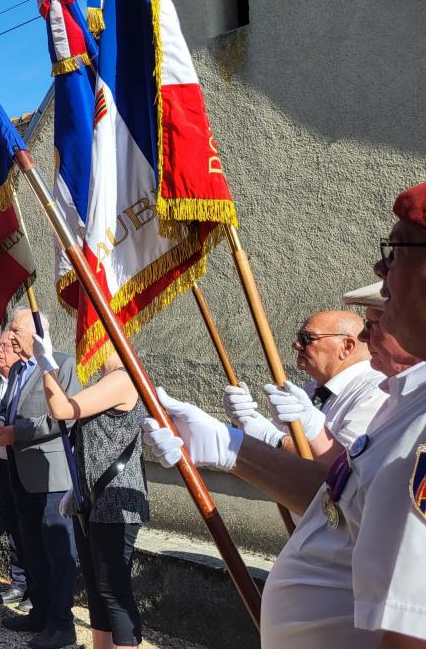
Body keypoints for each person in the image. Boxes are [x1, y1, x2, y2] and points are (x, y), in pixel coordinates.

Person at [142, 183, 426, 648]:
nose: (380, 267)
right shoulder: (407, 401)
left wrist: (274, 436)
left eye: (395, 251)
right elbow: (339, 505)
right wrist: (228, 446)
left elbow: (413, 630)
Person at [36, 332, 148, 649]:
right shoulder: (105, 379)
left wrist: (46, 365)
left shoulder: (123, 378)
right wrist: (77, 488)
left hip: (116, 499)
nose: (81, 344)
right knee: (99, 589)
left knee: (114, 590)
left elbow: (61, 408)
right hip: (92, 499)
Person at [0, 309, 80, 649]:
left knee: (58, 553)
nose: (10, 335)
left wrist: (19, 431)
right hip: (20, 472)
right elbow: (7, 405)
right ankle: (40, 611)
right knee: (31, 548)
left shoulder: (62, 364)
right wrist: (2, 422)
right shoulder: (16, 368)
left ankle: (62, 625)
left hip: (52, 475)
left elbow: (64, 417)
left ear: (36, 331)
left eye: (16, 329)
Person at [223, 310, 386, 461]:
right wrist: (245, 419)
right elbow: (277, 434)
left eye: (307, 338)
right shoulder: (311, 390)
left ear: (346, 347)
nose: (296, 345)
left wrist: (275, 440)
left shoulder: (374, 392)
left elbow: (346, 467)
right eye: (299, 337)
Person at [0, 331, 30, 609]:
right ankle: (19, 581)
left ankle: (34, 589)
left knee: (28, 528)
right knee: (13, 526)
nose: (0, 349)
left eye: (7, 346)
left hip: (22, 465)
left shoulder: (23, 378)